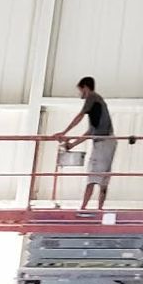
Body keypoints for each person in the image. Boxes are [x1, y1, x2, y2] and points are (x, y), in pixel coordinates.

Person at [52, 76, 116, 212]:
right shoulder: (98, 109)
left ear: (85, 88)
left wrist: (64, 132)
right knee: (103, 177)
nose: (80, 94)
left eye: (80, 90)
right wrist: (72, 144)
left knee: (93, 176)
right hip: (107, 141)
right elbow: (90, 132)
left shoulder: (92, 97)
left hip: (103, 143)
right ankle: (98, 207)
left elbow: (79, 116)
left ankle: (84, 208)